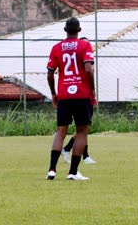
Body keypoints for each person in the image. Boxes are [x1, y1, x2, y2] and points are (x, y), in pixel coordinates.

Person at [45, 17, 95, 181]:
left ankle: (52, 170)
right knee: (81, 131)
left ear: (65, 30)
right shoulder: (84, 45)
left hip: (64, 95)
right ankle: (73, 172)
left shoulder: (56, 48)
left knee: (61, 131)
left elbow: (50, 74)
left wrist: (53, 93)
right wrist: (92, 90)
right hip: (81, 94)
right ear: (79, 31)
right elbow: (88, 70)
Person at [61, 37, 97, 165]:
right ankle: (78, 153)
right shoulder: (80, 61)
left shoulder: (86, 59)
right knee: (83, 127)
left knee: (85, 127)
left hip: (85, 96)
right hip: (82, 97)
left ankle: (70, 150)